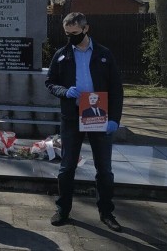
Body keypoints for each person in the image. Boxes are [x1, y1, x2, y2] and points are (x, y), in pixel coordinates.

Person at [45, 12, 124, 232]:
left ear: (85, 29)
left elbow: (116, 89)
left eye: (75, 33)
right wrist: (65, 91)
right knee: (67, 166)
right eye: (67, 33)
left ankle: (107, 213)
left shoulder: (104, 54)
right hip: (71, 116)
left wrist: (114, 120)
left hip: (99, 113)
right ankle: (63, 209)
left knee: (104, 169)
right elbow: (50, 82)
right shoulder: (61, 55)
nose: (70, 37)